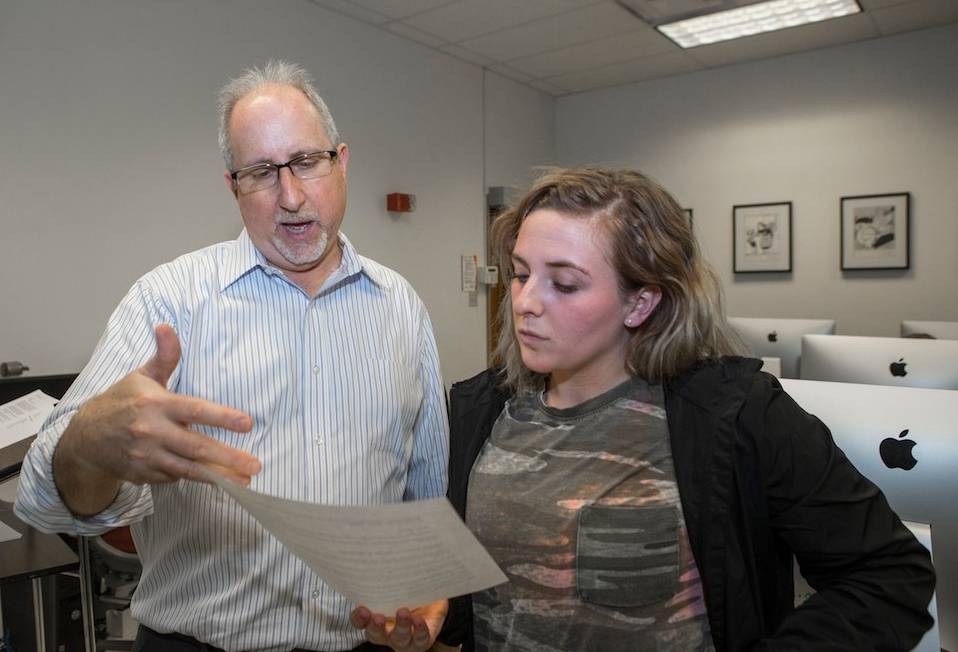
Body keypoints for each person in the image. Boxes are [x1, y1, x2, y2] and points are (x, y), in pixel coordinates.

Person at [15, 60, 450, 652]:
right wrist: (92, 439)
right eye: (262, 172)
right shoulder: (169, 300)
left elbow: (425, 502)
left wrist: (428, 591)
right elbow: (43, 496)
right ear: (233, 186)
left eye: (306, 162)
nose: (291, 196)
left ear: (341, 162)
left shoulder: (402, 307)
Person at [419, 166, 933, 651]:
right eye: (519, 274)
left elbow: (888, 575)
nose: (525, 301)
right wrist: (436, 615)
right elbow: (488, 601)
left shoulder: (734, 417)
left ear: (641, 302)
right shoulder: (479, 412)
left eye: (565, 283)